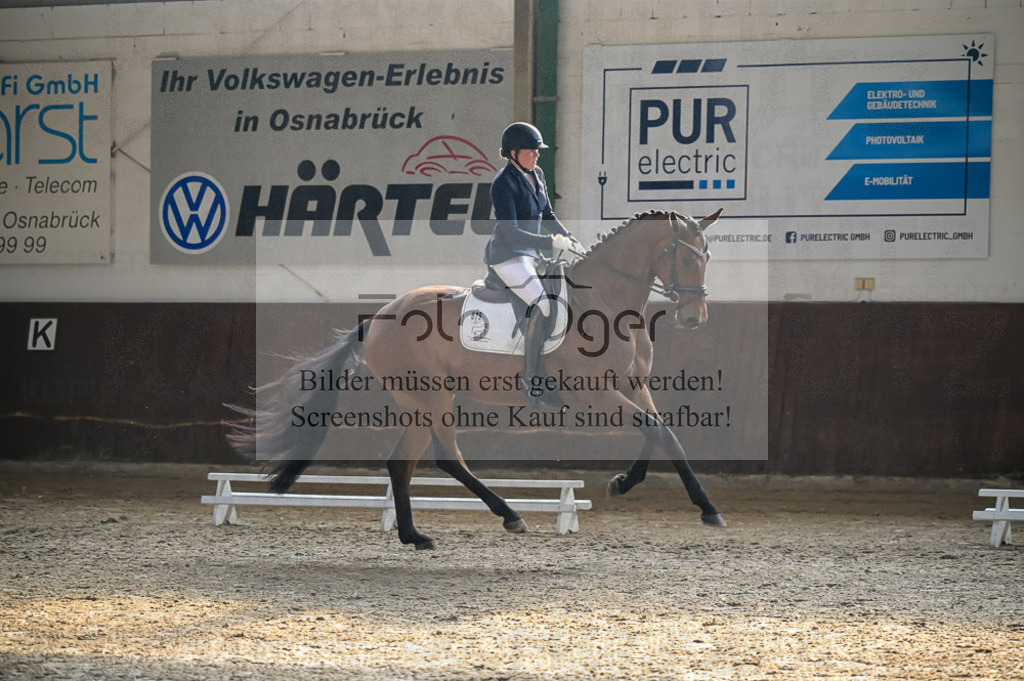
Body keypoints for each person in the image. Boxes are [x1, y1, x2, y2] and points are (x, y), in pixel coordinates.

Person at [484, 122, 582, 408]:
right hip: (507, 256)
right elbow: (509, 232)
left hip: (529, 255)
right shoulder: (503, 183)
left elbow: (547, 212)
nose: (537, 155)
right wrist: (551, 242)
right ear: (513, 153)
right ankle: (531, 378)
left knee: (564, 294)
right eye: (532, 151)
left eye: (538, 151)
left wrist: (569, 238)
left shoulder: (536, 174)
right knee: (543, 304)